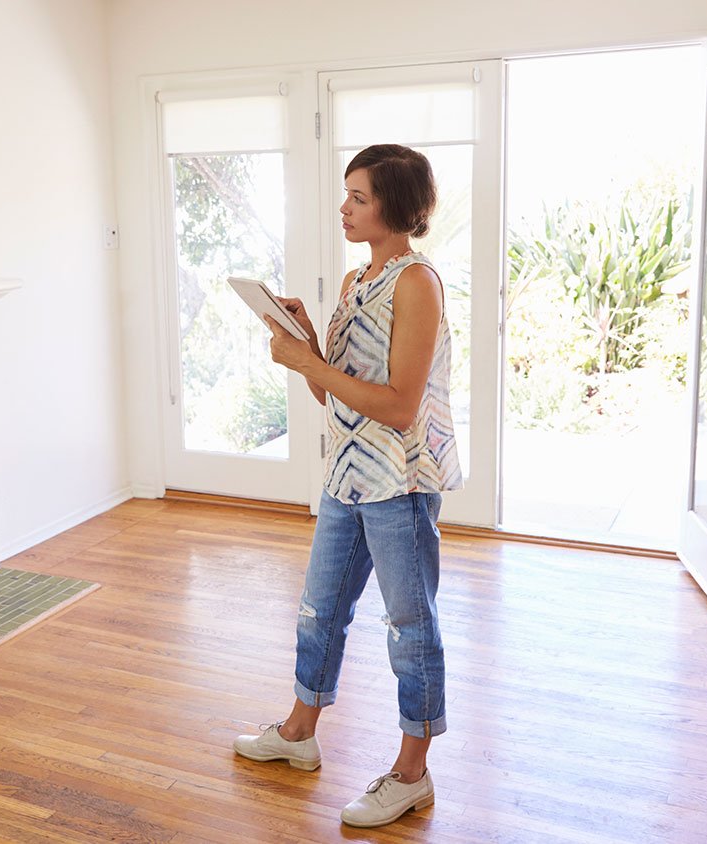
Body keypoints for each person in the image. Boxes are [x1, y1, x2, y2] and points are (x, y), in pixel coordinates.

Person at [235, 143, 463, 829]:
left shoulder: (416, 283)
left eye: (358, 198)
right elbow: (333, 397)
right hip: (346, 476)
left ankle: (411, 774)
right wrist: (305, 340)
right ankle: (300, 733)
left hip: (399, 484)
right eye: (347, 195)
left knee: (409, 625)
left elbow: (397, 406)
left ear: (393, 206)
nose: (345, 208)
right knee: (319, 610)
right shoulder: (355, 282)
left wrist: (310, 356)